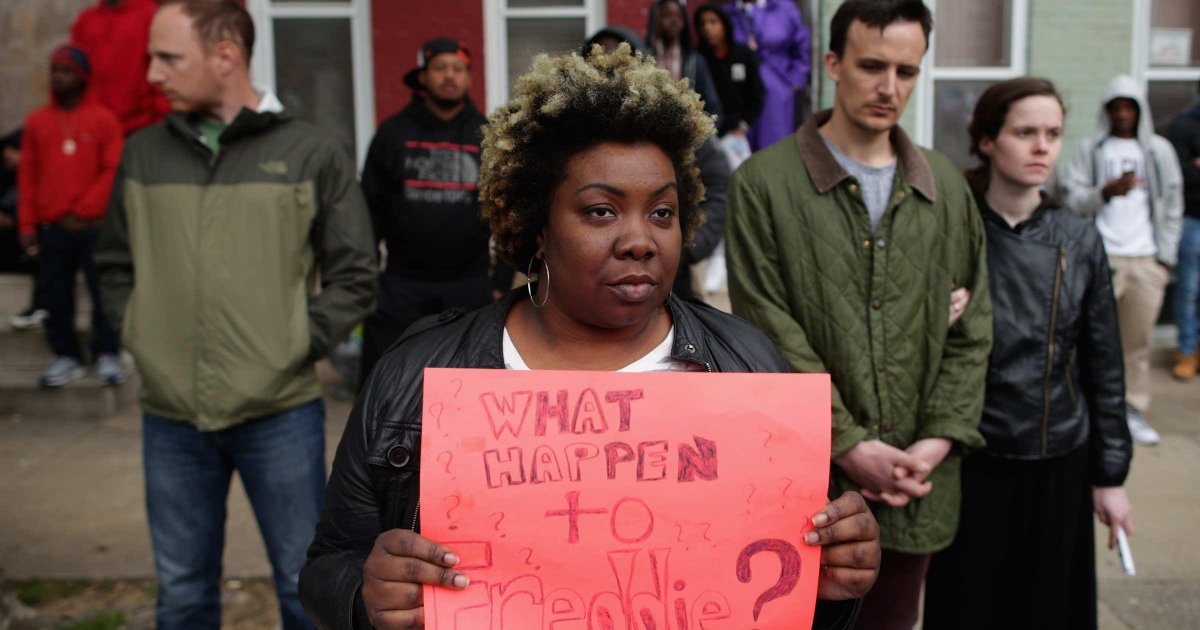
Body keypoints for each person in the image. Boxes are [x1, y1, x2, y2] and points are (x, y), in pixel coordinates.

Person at [300, 44, 880, 630]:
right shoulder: (416, 377)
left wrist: (834, 587)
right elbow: (328, 566)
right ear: (536, 226)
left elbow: (795, 596)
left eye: (662, 213)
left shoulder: (749, 369)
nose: (641, 241)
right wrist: (366, 596)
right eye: (602, 211)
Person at [95, 1, 376, 628]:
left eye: (168, 58)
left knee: (305, 590)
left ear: (225, 55)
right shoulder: (143, 153)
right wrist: (141, 335)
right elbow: (113, 264)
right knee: (182, 595)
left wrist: (292, 344)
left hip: (280, 412)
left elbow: (356, 273)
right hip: (171, 416)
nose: (152, 74)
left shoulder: (308, 151)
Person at [725, 1, 991, 627]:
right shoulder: (764, 183)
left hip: (917, 483)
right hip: (809, 484)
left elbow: (974, 329)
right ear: (832, 63)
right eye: (872, 66)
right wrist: (847, 444)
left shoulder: (945, 185)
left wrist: (936, 440)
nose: (889, 87)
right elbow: (768, 329)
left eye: (907, 71)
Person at [922, 77, 1134, 630]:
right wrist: (930, 316)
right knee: (970, 608)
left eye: (1053, 134)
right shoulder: (949, 230)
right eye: (1025, 133)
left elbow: (1104, 366)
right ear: (987, 141)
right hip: (970, 458)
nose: (1042, 147)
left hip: (1056, 459)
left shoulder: (1079, 239)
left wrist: (1111, 476)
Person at [359, 38, 507, 386]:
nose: (449, 76)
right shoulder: (393, 134)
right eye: (440, 68)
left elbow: (508, 210)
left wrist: (501, 282)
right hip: (401, 285)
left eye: (458, 69)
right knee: (388, 383)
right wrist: (368, 280)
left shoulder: (487, 136)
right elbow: (368, 212)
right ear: (423, 77)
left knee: (472, 386)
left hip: (469, 284)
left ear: (469, 78)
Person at [1061, 75, 1183, 447]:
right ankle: (1085, 406)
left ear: (1140, 110)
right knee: (1088, 337)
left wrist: (1165, 258)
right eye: (1116, 107)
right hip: (1103, 258)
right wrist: (1105, 192)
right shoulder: (1091, 150)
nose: (1123, 114)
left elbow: (1172, 203)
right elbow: (1072, 198)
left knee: (1136, 343)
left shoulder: (1158, 150)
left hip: (1145, 259)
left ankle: (1131, 410)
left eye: (1130, 107)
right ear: (1107, 111)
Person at [581, 26, 731, 302]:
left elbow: (719, 183)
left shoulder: (675, 123)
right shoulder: (563, 133)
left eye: (620, 58)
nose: (609, 69)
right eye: (598, 60)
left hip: (672, 285)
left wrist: (688, 245)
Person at [18, 44, 124, 387]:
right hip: (52, 227)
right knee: (55, 295)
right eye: (54, 70)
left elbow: (112, 170)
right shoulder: (37, 122)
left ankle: (107, 352)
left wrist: (82, 209)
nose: (58, 77)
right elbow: (27, 176)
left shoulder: (104, 119)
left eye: (65, 71)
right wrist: (26, 225)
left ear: (81, 76)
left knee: (102, 291)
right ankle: (66, 355)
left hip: (93, 226)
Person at [71, 0, 171, 135]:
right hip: (93, 127)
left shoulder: (150, 14)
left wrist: (160, 116)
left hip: (141, 124)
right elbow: (75, 70)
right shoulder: (87, 20)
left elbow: (164, 67)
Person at [725, 0, 812, 151]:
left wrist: (795, 80)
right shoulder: (730, 12)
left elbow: (802, 47)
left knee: (774, 146)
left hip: (777, 86)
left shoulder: (784, 8)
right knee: (740, 149)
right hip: (739, 89)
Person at [645, 0, 725, 127]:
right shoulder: (645, 57)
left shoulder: (694, 61)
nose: (674, 21)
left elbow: (713, 106)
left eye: (678, 16)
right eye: (667, 15)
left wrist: (701, 129)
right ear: (656, 18)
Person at [1166, 81, 1200, 380]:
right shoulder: (1183, 125)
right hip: (1191, 218)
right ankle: (1187, 350)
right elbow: (1177, 173)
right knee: (1188, 289)